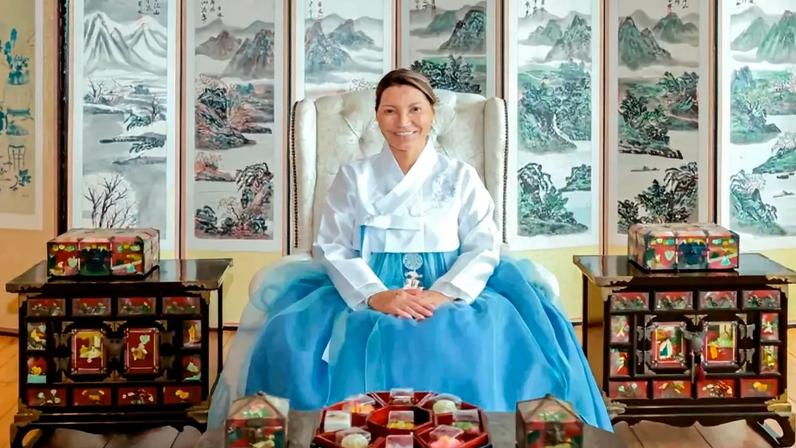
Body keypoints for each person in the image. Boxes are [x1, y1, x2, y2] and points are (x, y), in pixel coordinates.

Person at [207, 69, 612, 431]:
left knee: (472, 332)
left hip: (449, 283)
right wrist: (376, 294)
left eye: (415, 109)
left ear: (432, 113)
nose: (403, 123)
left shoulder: (460, 177)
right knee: (289, 336)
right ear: (377, 116)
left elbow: (483, 245)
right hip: (367, 283)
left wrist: (443, 294)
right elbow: (333, 245)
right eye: (390, 111)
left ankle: (468, 435)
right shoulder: (355, 177)